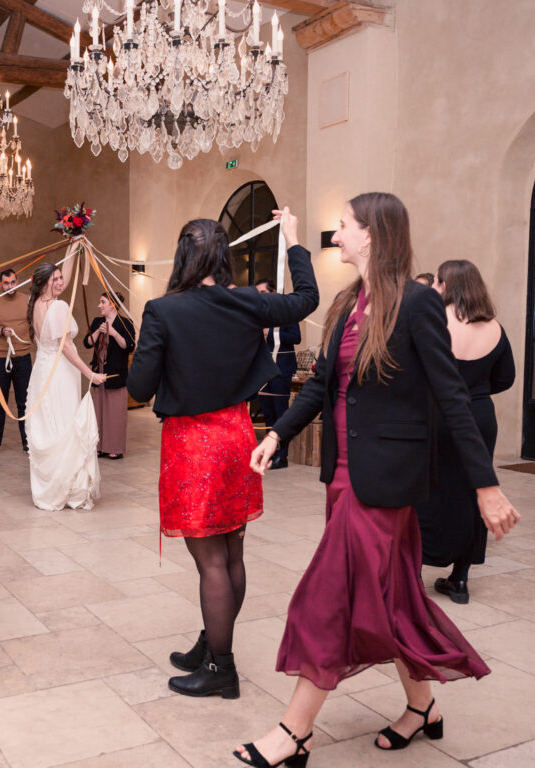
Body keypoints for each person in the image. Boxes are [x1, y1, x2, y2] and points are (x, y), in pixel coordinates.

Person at [236, 193, 520, 768]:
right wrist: (276, 435)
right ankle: (423, 707)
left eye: (342, 227)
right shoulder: (347, 302)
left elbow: (452, 398)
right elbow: (320, 387)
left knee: (328, 598)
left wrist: (485, 485)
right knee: (389, 601)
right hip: (343, 476)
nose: (335, 236)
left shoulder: (417, 303)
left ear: (371, 234)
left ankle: (295, 732)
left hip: (386, 485)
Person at [127, 215, 318, 699]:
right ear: (223, 256)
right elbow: (307, 299)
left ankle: (221, 668)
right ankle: (213, 641)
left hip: (193, 446)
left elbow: (139, 388)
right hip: (238, 436)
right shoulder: (248, 301)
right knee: (231, 553)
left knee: (210, 562)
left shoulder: (163, 311)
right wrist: (293, 239)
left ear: (184, 254)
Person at [416, 260, 515, 604]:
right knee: (474, 492)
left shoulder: (434, 322)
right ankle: (460, 580)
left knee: (425, 489)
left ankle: (413, 572)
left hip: (439, 414)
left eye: (439, 282)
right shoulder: (496, 328)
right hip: (480, 416)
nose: (436, 288)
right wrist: (477, 390)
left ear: (447, 285)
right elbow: (506, 378)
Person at [26, 261, 107, 511]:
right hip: (59, 373)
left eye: (61, 277)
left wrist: (74, 241)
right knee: (65, 427)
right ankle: (70, 489)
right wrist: (89, 373)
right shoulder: (58, 306)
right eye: (56, 279)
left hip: (41, 371)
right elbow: (67, 348)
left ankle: (50, 488)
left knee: (51, 426)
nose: (61, 282)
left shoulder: (37, 304)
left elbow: (65, 278)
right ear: (44, 283)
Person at [0, 268, 32, 456]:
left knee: (24, 402)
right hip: (0, 358)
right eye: (6, 283)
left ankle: (28, 442)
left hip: (23, 357)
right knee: (0, 402)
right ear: (0, 284)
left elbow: (35, 322)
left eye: (13, 282)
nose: (10, 286)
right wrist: (0, 332)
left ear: (17, 281)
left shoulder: (27, 300)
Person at [254, 279, 302, 469]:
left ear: (274, 291)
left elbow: (296, 337)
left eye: (263, 292)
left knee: (281, 413)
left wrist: (273, 335)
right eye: (258, 293)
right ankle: (269, 453)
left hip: (282, 369)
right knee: (268, 413)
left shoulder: (287, 311)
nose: (260, 296)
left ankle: (282, 456)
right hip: (264, 370)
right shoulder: (261, 314)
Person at [83, 293, 136, 459]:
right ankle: (98, 446)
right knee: (98, 412)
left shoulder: (125, 323)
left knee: (115, 413)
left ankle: (114, 448)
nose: (99, 305)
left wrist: (113, 333)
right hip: (99, 372)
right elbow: (87, 343)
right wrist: (98, 331)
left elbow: (129, 346)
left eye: (102, 302)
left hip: (116, 374)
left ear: (112, 304)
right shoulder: (97, 322)